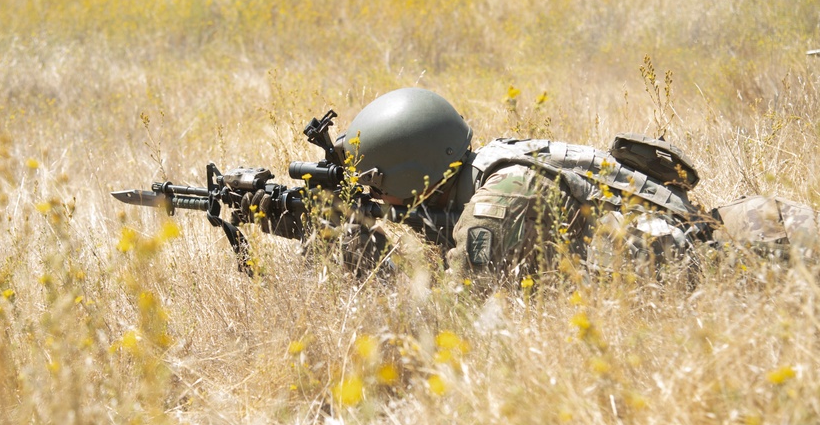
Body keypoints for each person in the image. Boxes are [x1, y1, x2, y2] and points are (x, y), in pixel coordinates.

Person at [317, 87, 816, 286]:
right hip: (728, 227)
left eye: (378, 187)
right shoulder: (483, 165)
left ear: (415, 173)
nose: (377, 199)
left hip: (753, 254)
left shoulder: (498, 198)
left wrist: (363, 257)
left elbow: (462, 308)